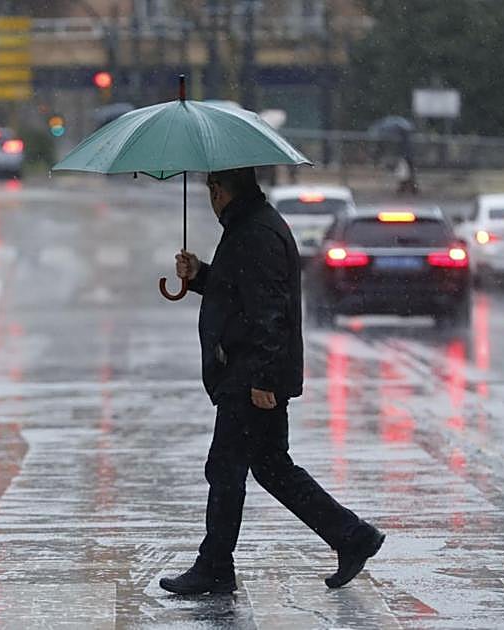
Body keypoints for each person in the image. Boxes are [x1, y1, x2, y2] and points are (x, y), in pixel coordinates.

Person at [161, 167, 385, 596]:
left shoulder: (257, 232)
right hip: (251, 370)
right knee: (272, 468)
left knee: (226, 469)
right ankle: (352, 536)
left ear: (221, 190)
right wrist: (200, 275)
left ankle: (215, 566)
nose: (210, 197)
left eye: (212, 188)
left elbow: (269, 311)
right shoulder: (251, 224)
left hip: (250, 374)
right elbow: (238, 291)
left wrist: (262, 378)